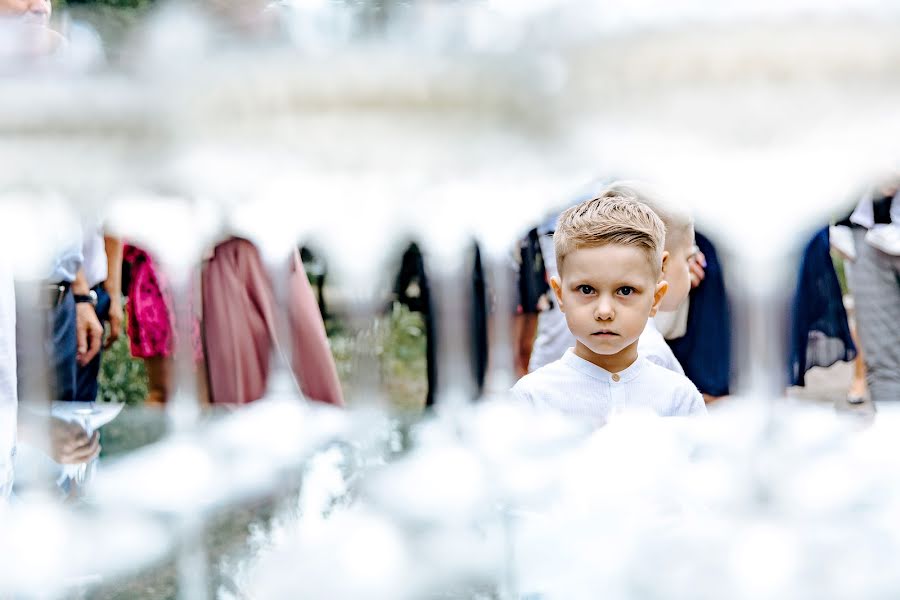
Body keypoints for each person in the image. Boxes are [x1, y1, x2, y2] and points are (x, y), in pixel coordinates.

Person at [510, 189, 706, 428]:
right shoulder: (532, 399)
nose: (604, 311)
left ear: (656, 299)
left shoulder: (679, 399)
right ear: (560, 294)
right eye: (586, 290)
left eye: (625, 291)